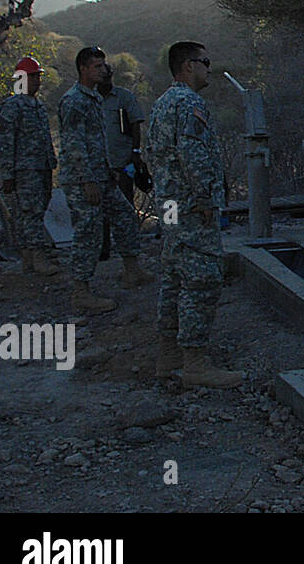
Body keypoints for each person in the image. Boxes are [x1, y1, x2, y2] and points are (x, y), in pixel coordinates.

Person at [145, 41, 243, 389]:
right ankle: (195, 363)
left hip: (170, 207)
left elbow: (151, 154)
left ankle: (168, 356)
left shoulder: (162, 104)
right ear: (188, 66)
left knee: (173, 279)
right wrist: (204, 196)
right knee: (202, 279)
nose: (208, 68)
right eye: (205, 62)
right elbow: (192, 153)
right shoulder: (188, 103)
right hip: (191, 209)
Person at [57, 46, 153, 313]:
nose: (103, 70)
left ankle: (132, 270)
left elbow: (96, 141)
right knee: (88, 231)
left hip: (102, 174)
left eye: (103, 65)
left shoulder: (94, 98)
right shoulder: (74, 100)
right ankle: (81, 291)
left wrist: (108, 170)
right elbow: (74, 145)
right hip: (82, 179)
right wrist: (88, 180)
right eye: (96, 66)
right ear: (83, 69)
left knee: (124, 215)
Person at [0, 56, 60, 276]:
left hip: (41, 167)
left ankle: (30, 259)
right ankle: (36, 257)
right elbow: (5, 143)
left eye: (37, 77)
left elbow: (45, 137)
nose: (37, 82)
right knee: (30, 212)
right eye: (32, 77)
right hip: (25, 170)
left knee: (36, 211)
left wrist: (52, 161)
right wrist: (7, 174)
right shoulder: (12, 106)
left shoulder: (38, 106)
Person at [97, 62, 147, 261]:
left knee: (125, 207)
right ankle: (104, 248)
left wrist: (135, 152)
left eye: (107, 74)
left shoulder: (124, 97)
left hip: (122, 160)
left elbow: (136, 124)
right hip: (99, 164)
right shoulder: (89, 99)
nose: (104, 78)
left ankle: (129, 249)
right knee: (101, 211)